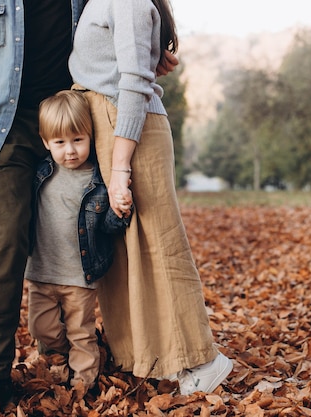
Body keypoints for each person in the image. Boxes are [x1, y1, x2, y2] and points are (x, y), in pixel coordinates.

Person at [0, 0, 176, 407]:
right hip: (4, 130)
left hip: (74, 119)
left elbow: (120, 17)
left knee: (108, 218)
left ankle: (127, 345)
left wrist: (151, 46)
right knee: (10, 235)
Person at [68, 0, 233, 395]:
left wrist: (121, 167)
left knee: (161, 247)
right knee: (130, 254)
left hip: (128, 133)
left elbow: (135, 82)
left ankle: (204, 361)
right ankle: (160, 358)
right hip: (112, 127)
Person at [0, 90, 132, 391]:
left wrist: (121, 210)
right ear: (45, 142)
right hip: (42, 273)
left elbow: (108, 225)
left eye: (78, 140)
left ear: (90, 136)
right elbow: (11, 201)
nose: (70, 151)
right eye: (60, 143)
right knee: (42, 328)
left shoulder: (98, 180)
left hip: (80, 276)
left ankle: (83, 384)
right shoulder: (40, 173)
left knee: (81, 332)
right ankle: (61, 357)